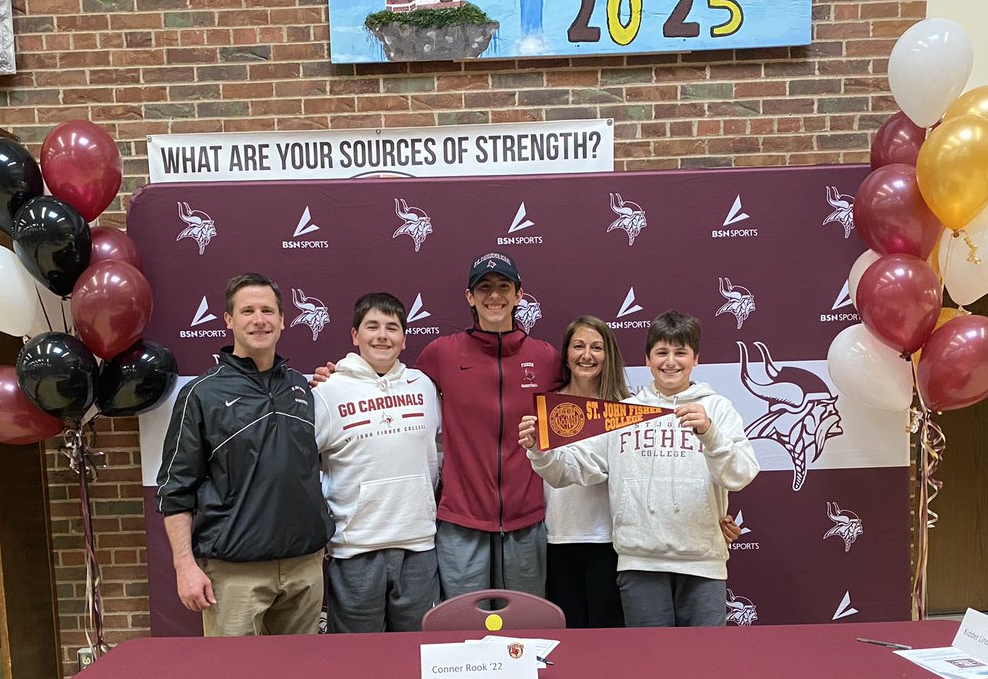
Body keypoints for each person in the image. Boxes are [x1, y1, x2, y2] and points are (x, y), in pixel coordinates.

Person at [320, 252, 561, 597]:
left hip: (526, 521)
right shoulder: (441, 354)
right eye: (484, 288)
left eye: (503, 287)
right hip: (460, 520)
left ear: (519, 295)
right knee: (462, 632)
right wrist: (340, 377)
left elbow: (579, 405)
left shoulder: (545, 357)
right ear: (469, 297)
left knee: (523, 632)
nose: (494, 296)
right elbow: (388, 383)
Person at [519, 311, 759, 628]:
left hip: (703, 564)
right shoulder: (624, 413)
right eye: (661, 352)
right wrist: (539, 449)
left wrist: (711, 435)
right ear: (647, 359)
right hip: (639, 563)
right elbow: (573, 470)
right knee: (650, 665)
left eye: (680, 352)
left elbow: (740, 475)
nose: (670, 362)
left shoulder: (717, 408)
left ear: (696, 359)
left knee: (707, 664)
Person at [156, 272, 333, 636]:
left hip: (304, 567)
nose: (259, 320)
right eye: (248, 310)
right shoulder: (200, 395)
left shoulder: (303, 388)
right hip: (235, 573)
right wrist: (185, 566)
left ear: (283, 320)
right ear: (229, 320)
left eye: (268, 310)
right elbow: (175, 490)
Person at [310, 292, 440, 632]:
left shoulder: (424, 386)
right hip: (356, 548)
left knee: (416, 653)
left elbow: (432, 454)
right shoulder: (328, 390)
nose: (382, 335)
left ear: (404, 337)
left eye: (392, 327)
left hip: (419, 545)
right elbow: (307, 464)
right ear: (355, 336)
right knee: (359, 658)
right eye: (372, 326)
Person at [542, 316, 629, 628]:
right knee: (570, 638)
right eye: (578, 346)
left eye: (596, 347)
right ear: (566, 353)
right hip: (558, 539)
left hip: (609, 542)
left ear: (609, 355)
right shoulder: (547, 406)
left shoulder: (625, 407)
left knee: (607, 639)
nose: (586, 355)